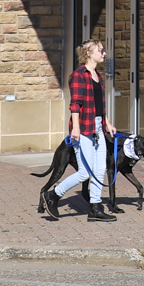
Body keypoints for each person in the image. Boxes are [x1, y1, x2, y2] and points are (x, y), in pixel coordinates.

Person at [44, 39, 118, 222]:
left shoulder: (98, 76)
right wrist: (75, 128)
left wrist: (107, 122)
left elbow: (99, 104)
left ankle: (95, 208)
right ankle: (53, 195)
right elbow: (75, 104)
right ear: (89, 53)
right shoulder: (78, 76)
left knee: (100, 169)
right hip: (84, 128)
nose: (104, 53)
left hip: (98, 127)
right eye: (101, 50)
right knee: (85, 172)